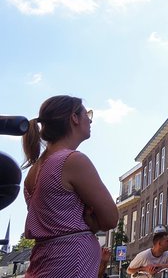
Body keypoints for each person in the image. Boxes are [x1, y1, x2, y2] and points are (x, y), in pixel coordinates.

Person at [22, 95, 119, 277]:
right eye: (86, 115)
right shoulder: (72, 161)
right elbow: (111, 218)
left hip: (45, 262)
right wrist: (92, 223)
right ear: (74, 118)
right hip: (71, 263)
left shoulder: (33, 171)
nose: (90, 121)